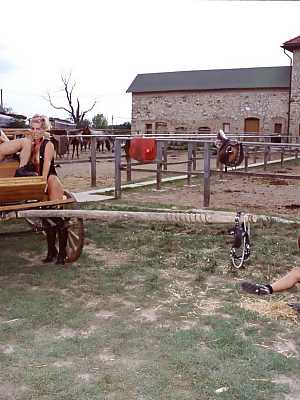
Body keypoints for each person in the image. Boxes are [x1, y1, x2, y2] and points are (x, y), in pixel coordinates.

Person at [28, 114, 68, 265]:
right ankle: (52, 252)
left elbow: (46, 167)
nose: (35, 131)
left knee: (57, 218)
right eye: (32, 128)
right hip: (38, 182)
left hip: (50, 181)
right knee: (45, 218)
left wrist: (42, 183)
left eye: (38, 129)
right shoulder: (31, 144)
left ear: (44, 129)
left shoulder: (48, 144)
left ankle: (62, 254)